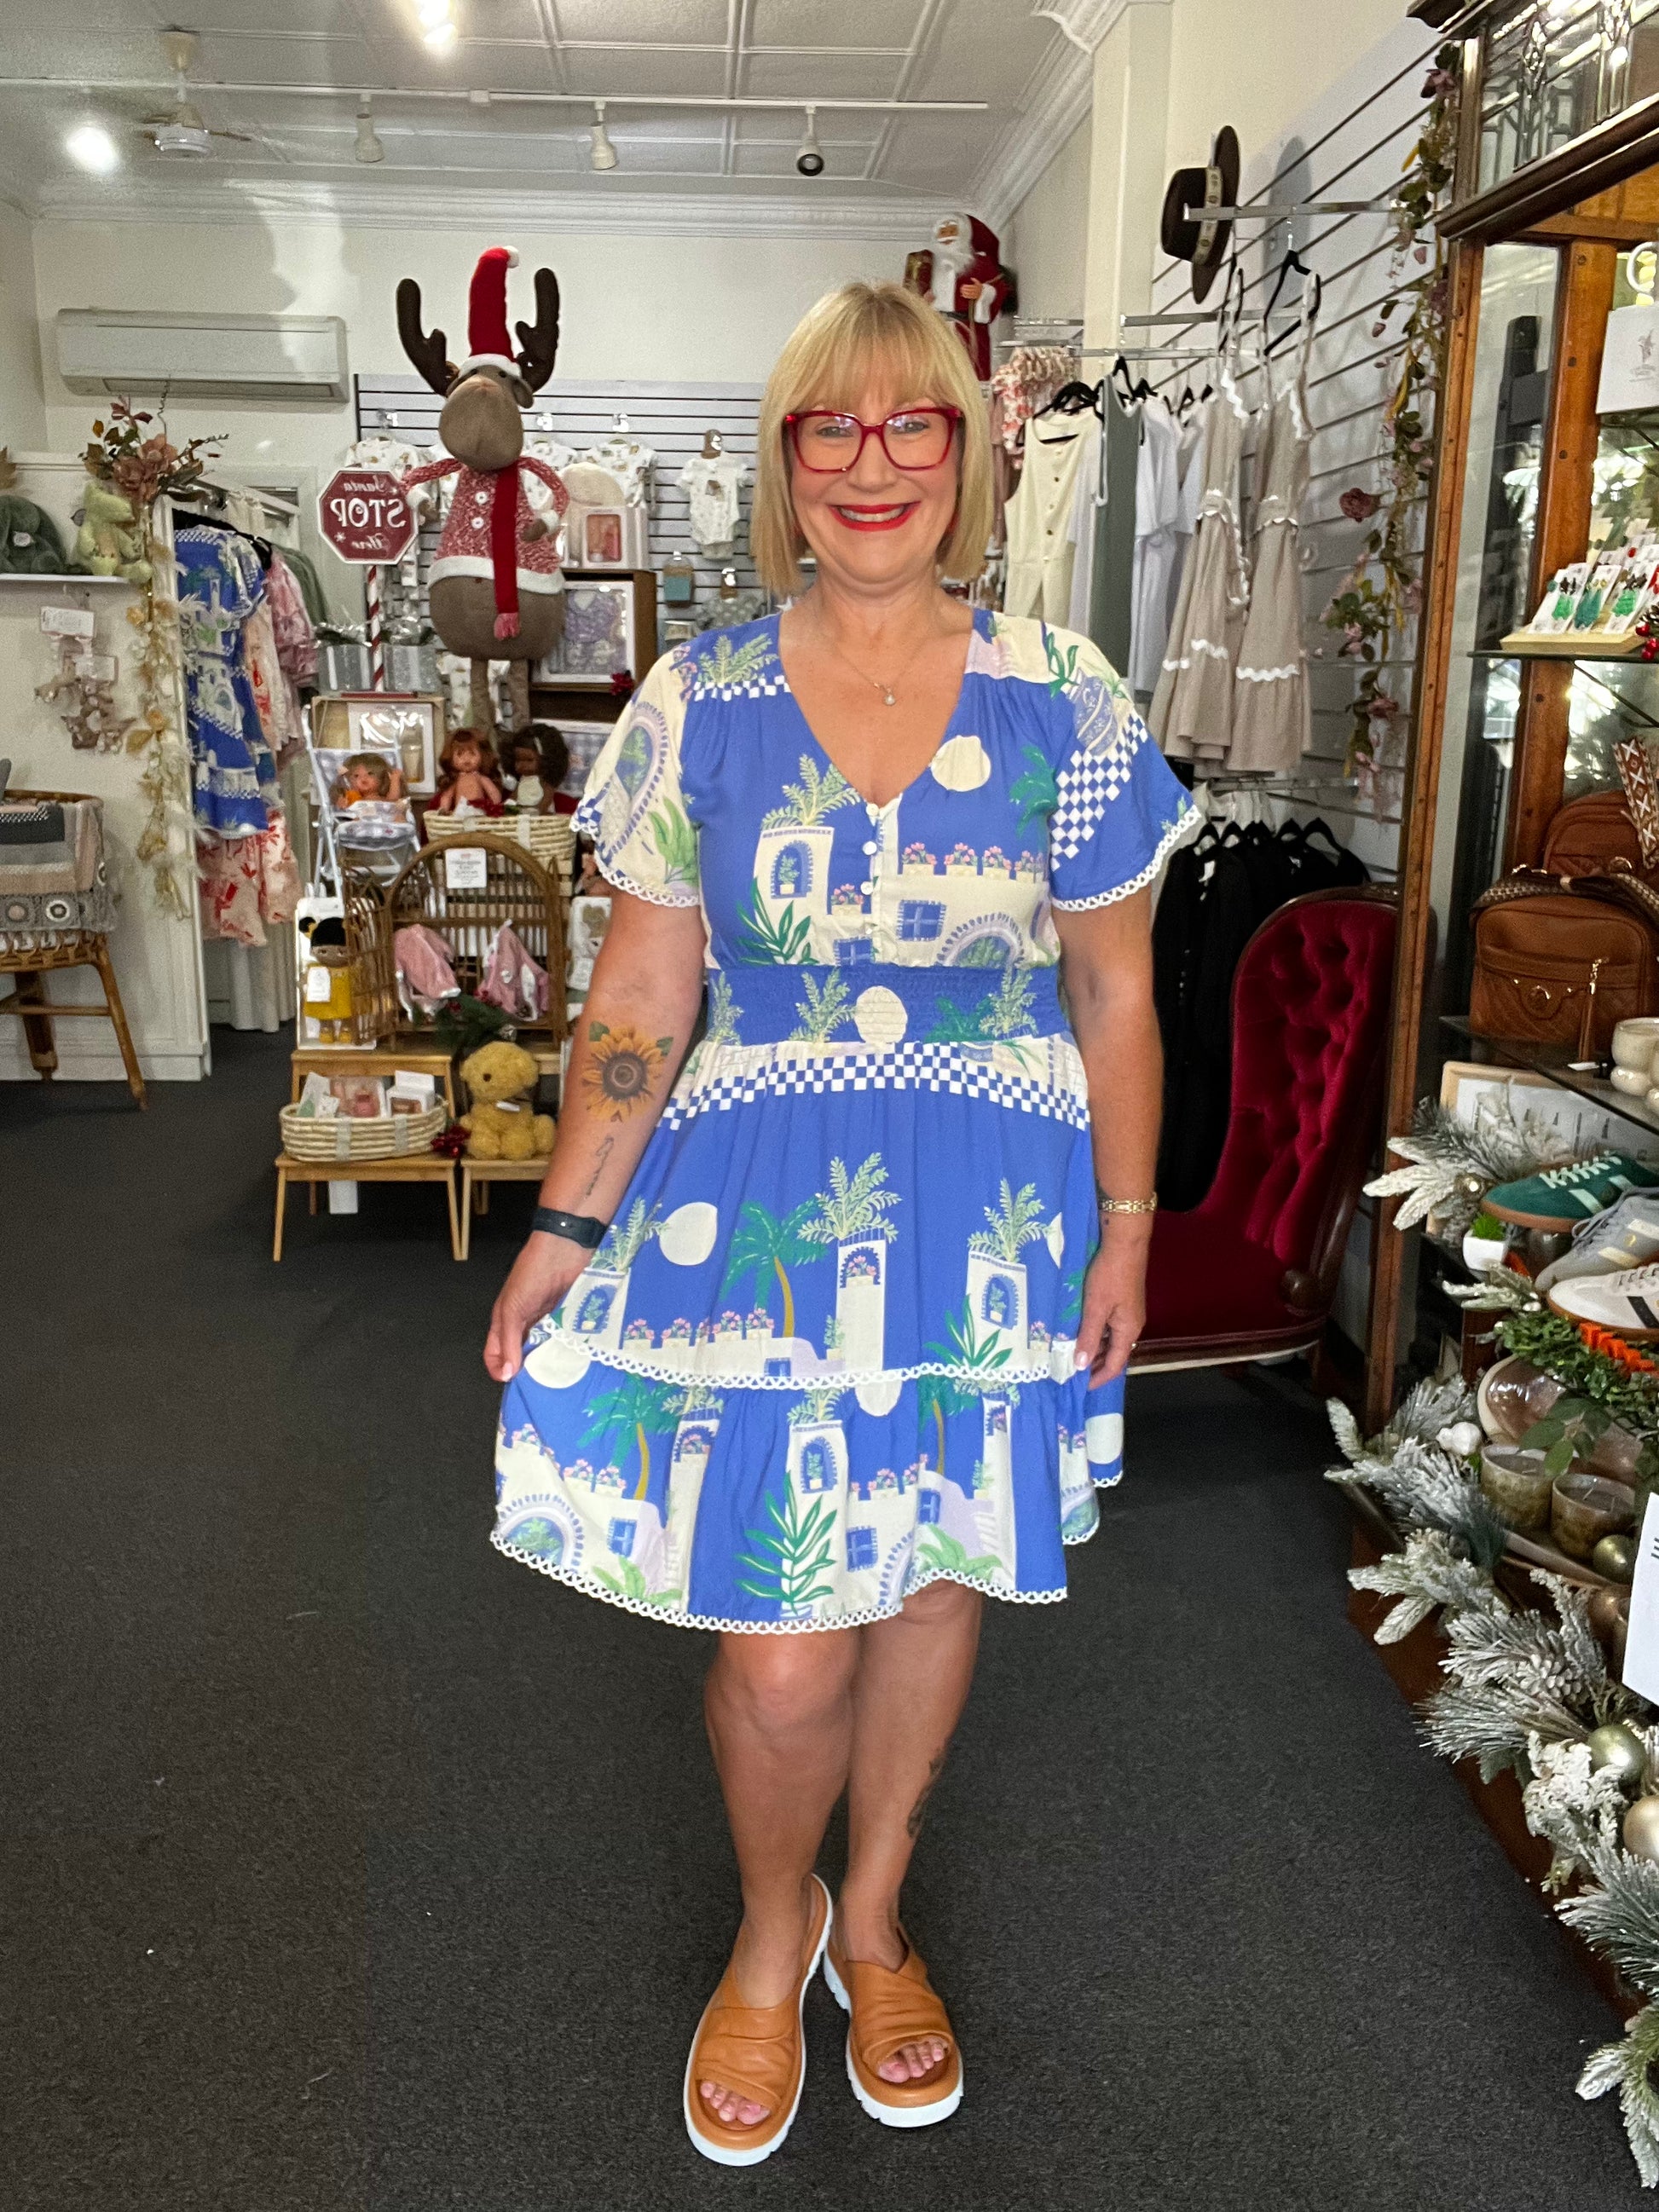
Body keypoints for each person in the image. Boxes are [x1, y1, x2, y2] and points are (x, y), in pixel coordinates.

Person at [483, 280, 1197, 2166]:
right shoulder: (695, 697)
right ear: (784, 460)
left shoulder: (1065, 691)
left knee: (933, 1577)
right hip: (753, 1212)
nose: (872, 464)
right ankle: (771, 1918)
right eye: (831, 427)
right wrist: (564, 1222)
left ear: (965, 454)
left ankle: (872, 1916)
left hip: (993, 1209)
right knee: (784, 1634)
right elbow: (642, 997)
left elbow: (1115, 990)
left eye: (913, 424)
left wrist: (1129, 1226)